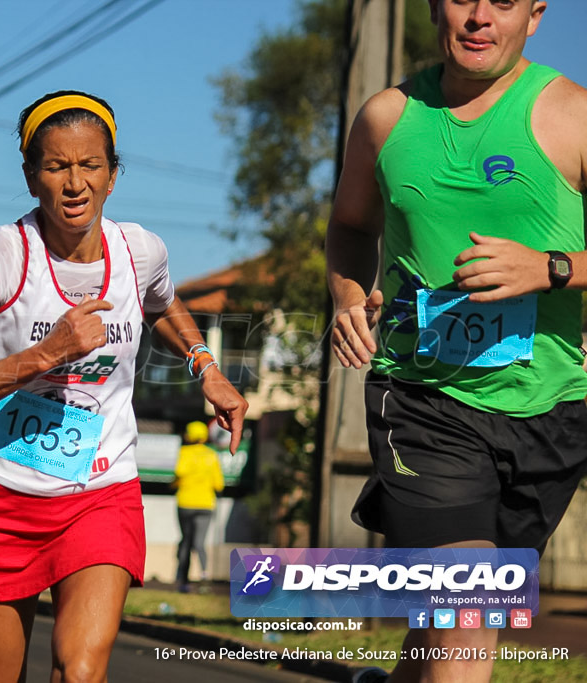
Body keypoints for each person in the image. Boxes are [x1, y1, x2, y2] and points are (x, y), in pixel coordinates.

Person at [0, 90, 248, 682]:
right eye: (56, 166)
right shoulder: (1, 254)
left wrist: (207, 366)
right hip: (1, 491)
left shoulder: (140, 250)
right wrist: (47, 353)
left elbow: (163, 302)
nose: (74, 183)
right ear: (31, 178)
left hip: (100, 489)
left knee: (80, 671)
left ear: (112, 176)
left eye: (90, 165)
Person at [326, 1, 587, 681]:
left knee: (449, 621)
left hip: (551, 408)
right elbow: (352, 226)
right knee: (466, 613)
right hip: (423, 401)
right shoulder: (387, 117)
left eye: (502, 2)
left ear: (534, 15)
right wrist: (349, 296)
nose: (478, 17)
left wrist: (549, 268)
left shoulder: (574, 115)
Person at [172, 420, 224, 593]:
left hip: (186, 502)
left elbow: (179, 472)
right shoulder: (212, 455)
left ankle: (183, 580)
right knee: (200, 542)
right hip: (206, 504)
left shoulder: (184, 452)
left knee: (186, 541)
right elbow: (219, 485)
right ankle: (204, 577)